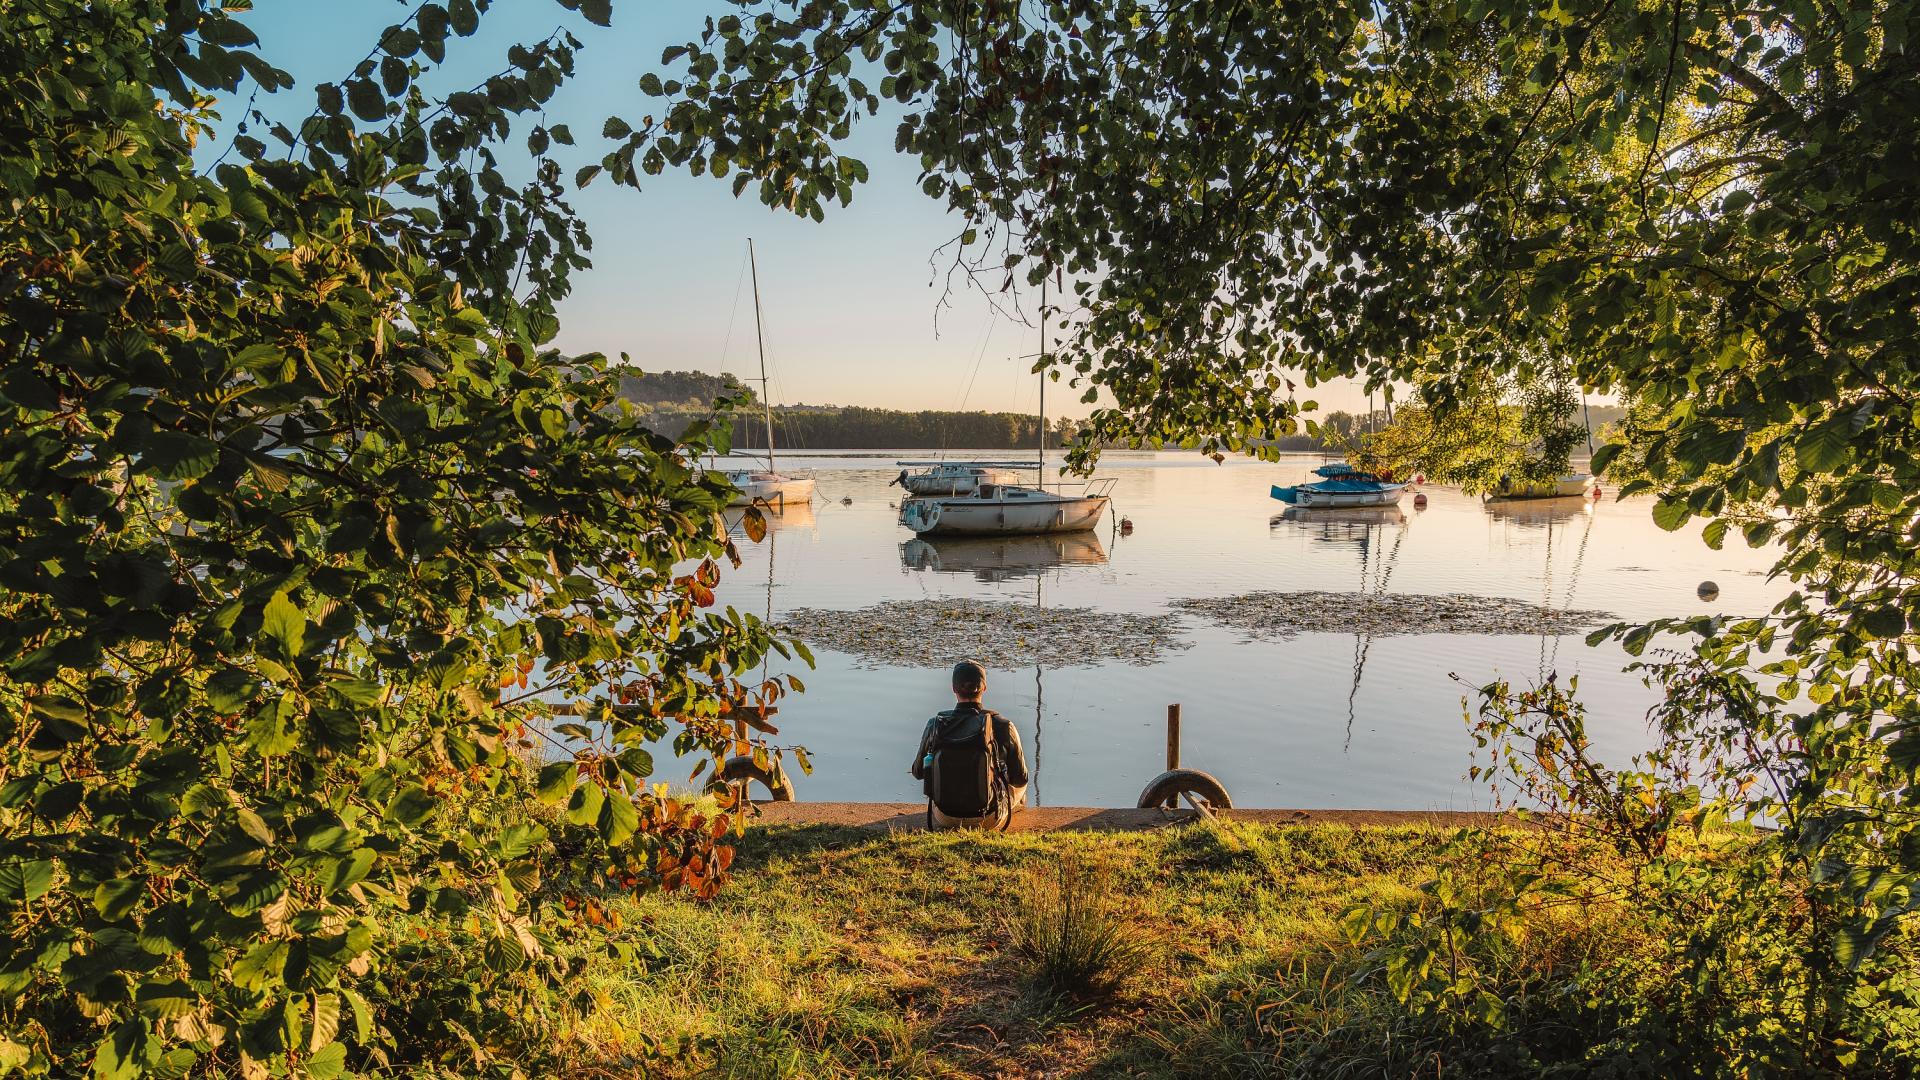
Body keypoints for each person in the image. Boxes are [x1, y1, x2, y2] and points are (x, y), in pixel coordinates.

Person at [910, 661, 1030, 829]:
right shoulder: (1003, 725)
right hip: (986, 819)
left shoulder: (935, 724)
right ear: (984, 688)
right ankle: (1009, 806)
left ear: (953, 688)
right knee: (1022, 785)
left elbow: (918, 772)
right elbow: (1020, 778)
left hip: (945, 816)